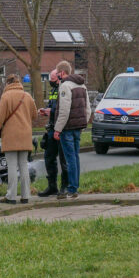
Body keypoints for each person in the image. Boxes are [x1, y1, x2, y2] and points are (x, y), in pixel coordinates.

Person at [0, 74, 38, 204]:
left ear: (8, 83)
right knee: (23, 165)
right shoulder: (27, 96)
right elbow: (34, 115)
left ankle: (11, 196)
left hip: (10, 136)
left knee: (11, 167)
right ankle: (26, 196)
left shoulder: (6, 97)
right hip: (25, 135)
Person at [53, 60, 91, 200]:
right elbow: (88, 109)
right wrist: (83, 123)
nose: (57, 76)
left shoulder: (65, 87)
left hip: (67, 128)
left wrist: (58, 129)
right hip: (78, 127)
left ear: (62, 72)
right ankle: (75, 186)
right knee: (75, 157)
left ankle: (72, 189)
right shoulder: (82, 86)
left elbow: (64, 111)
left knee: (70, 159)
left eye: (58, 74)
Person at [38, 69, 69, 197]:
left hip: (62, 128)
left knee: (63, 160)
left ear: (59, 78)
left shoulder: (64, 88)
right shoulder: (53, 90)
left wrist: (52, 111)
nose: (51, 83)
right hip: (51, 128)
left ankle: (65, 187)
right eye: (50, 80)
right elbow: (53, 104)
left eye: (53, 80)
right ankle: (52, 186)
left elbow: (63, 108)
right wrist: (46, 110)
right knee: (49, 158)